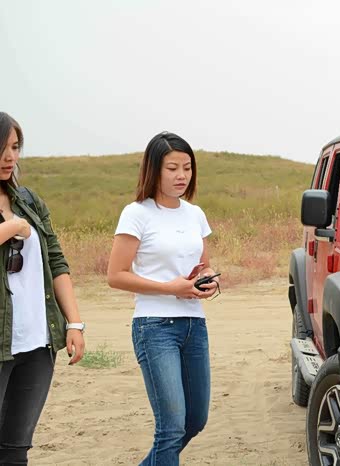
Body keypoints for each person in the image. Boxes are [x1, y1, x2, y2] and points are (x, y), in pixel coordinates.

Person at [106, 131, 219, 465]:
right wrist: (172, 288)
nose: (181, 175)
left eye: (187, 167)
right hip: (154, 326)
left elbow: (204, 265)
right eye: (172, 168)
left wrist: (208, 280)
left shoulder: (195, 214)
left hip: (194, 325)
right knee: (170, 428)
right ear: (154, 170)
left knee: (195, 420)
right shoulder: (136, 213)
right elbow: (116, 275)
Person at [0, 112, 85, 464]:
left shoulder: (29, 201)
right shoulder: (19, 216)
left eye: (15, 147)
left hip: (37, 342)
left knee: (15, 450)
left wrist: (74, 323)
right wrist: (12, 227)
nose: (10, 157)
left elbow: (57, 262)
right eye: (2, 148)